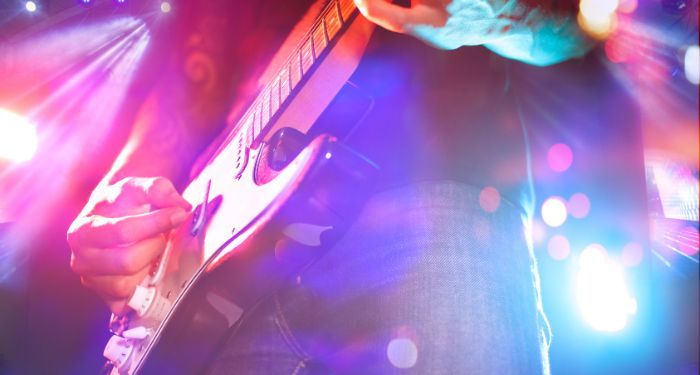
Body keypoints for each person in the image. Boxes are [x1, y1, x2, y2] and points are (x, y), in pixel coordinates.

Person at [67, 0, 593, 372]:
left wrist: (505, 10)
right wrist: (115, 212)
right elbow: (176, 95)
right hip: (214, 290)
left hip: (437, 219)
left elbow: (597, 22)